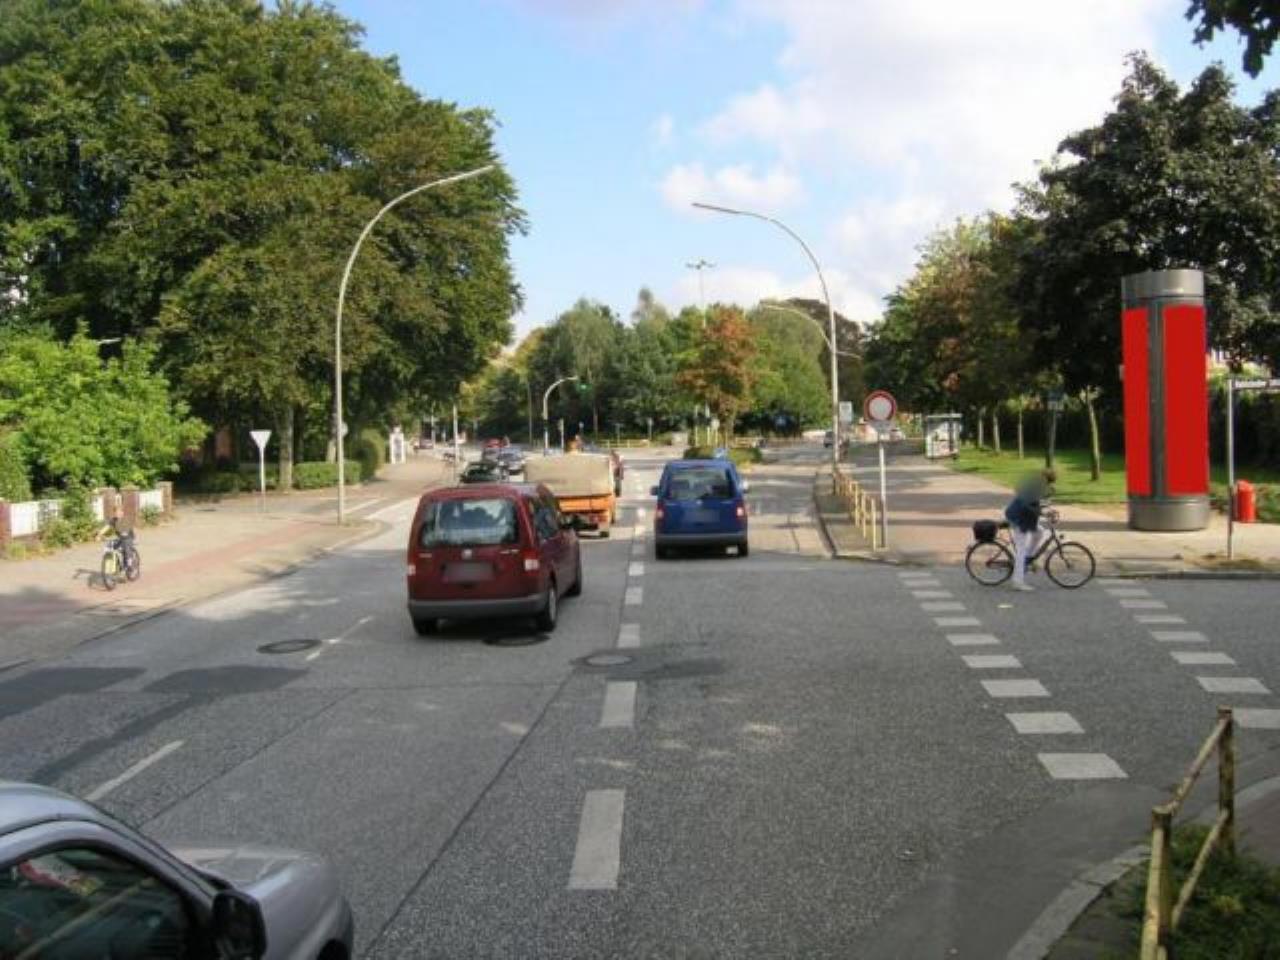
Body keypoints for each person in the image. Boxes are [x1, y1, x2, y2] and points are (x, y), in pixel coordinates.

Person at [1004, 468, 1056, 591]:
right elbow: (1026, 505)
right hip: (1018, 518)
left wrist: (1046, 509)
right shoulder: (1034, 485)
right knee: (1021, 550)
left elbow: (1034, 502)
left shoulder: (1036, 484)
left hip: (1022, 517)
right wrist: (1043, 512)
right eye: (1048, 482)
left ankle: (1028, 558)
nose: (1047, 485)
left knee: (1039, 532)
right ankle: (1018, 582)